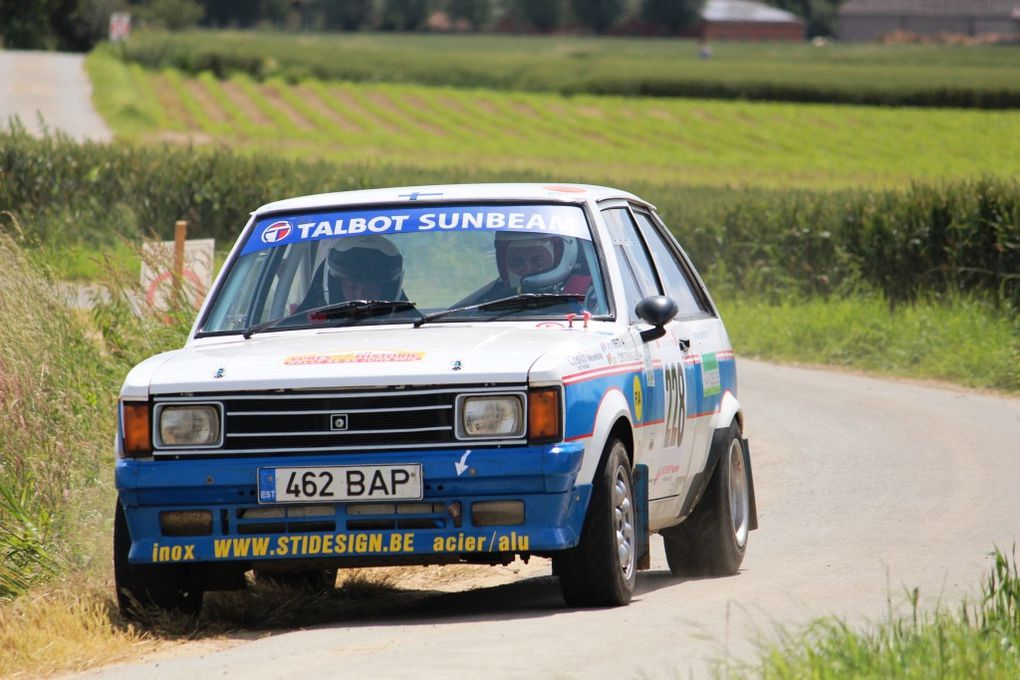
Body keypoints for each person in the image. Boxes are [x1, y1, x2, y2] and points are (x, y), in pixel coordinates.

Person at [299, 234, 404, 310]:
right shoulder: (307, 327)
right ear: (337, 286)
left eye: (370, 288)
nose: (360, 295)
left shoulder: (408, 327)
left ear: (387, 290)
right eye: (352, 286)